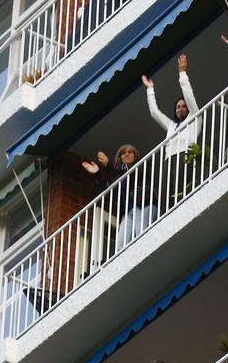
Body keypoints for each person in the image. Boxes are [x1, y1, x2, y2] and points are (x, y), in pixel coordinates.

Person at [141, 54, 201, 210]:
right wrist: (150, 90)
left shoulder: (195, 118)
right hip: (169, 163)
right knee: (166, 198)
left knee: (183, 195)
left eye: (183, 106)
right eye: (178, 107)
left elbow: (189, 96)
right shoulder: (171, 126)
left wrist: (182, 73)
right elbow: (154, 112)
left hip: (186, 159)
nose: (181, 108)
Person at [82, 145, 157, 251]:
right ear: (120, 157)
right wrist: (97, 173)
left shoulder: (141, 165)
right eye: (123, 153)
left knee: (141, 234)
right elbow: (108, 191)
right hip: (127, 213)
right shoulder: (118, 177)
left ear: (135, 156)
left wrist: (108, 164)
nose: (126, 154)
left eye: (130, 152)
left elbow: (129, 170)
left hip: (143, 205)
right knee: (120, 246)